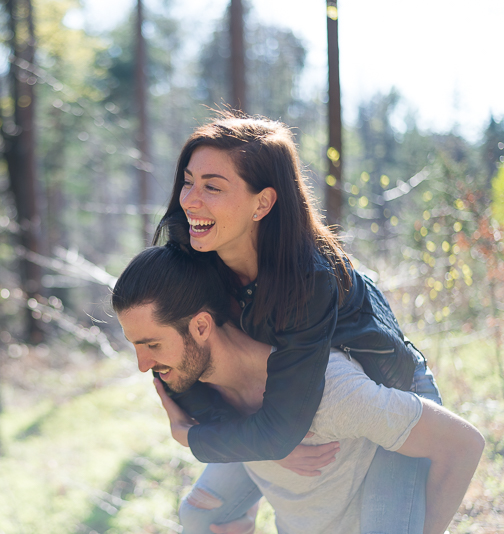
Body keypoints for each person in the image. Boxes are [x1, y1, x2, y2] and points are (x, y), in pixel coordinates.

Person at [151, 112, 445, 531]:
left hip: (392, 397)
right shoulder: (190, 253)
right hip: (294, 407)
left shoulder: (310, 278)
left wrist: (199, 437)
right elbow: (171, 360)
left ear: (263, 203)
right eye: (188, 181)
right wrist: (263, 445)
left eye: (212, 187)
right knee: (204, 515)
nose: (190, 199)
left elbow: (282, 429)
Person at [111, 244, 484, 534]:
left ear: (202, 327)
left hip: (381, 461)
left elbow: (464, 444)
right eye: (135, 346)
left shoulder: (334, 393)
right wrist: (259, 448)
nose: (143, 365)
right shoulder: (191, 382)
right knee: (200, 516)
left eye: (152, 345)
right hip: (308, 503)